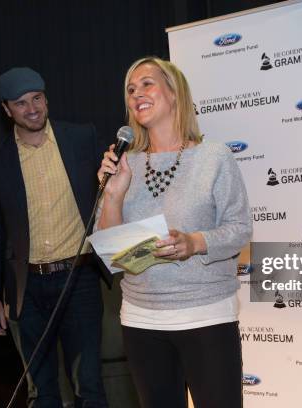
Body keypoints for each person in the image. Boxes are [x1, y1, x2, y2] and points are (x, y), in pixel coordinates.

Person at [96, 57, 252, 408]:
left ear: (174, 93)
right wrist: (114, 193)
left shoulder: (214, 157)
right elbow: (110, 252)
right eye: (131, 90)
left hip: (206, 316)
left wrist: (194, 242)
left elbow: (240, 229)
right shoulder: (125, 164)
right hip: (141, 319)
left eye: (147, 84)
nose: (137, 94)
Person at [0, 66, 111, 408]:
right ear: (7, 110)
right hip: (26, 290)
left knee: (90, 387)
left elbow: (111, 195)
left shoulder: (83, 138)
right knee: (41, 392)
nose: (32, 108)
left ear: (46, 99)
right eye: (20, 103)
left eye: (37, 98)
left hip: (78, 279)